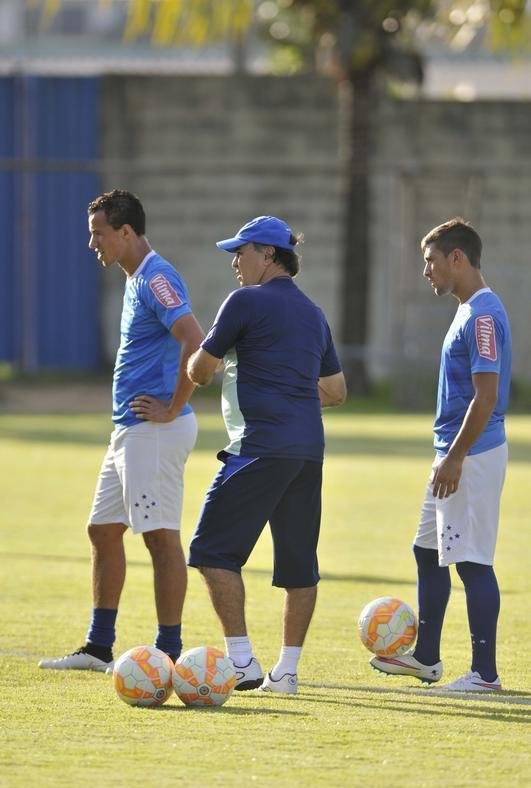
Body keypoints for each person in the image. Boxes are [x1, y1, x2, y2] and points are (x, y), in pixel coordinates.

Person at [39, 188, 204, 673]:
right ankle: (97, 647)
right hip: (129, 430)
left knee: (159, 537)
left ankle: (168, 651)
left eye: (99, 234)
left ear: (126, 231)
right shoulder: (135, 278)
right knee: (103, 530)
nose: (93, 244)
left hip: (153, 430)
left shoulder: (157, 276)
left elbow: (195, 339)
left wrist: (174, 406)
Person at [186, 215, 347, 695]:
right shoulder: (314, 313)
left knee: (211, 552)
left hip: (258, 447)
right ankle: (287, 673)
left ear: (270, 255)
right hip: (308, 451)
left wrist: (201, 358)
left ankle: (242, 663)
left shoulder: (244, 301)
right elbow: (337, 391)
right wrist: (292, 392)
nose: (236, 262)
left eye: (243, 251)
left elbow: (200, 371)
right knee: (299, 565)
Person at [371, 218, 511, 691]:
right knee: (427, 551)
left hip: (469, 456)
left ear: (457, 257)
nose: (425, 272)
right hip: (451, 453)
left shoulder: (483, 316)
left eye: (430, 261)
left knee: (471, 562)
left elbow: (485, 396)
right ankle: (427, 659)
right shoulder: (466, 309)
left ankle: (485, 676)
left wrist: (455, 457)